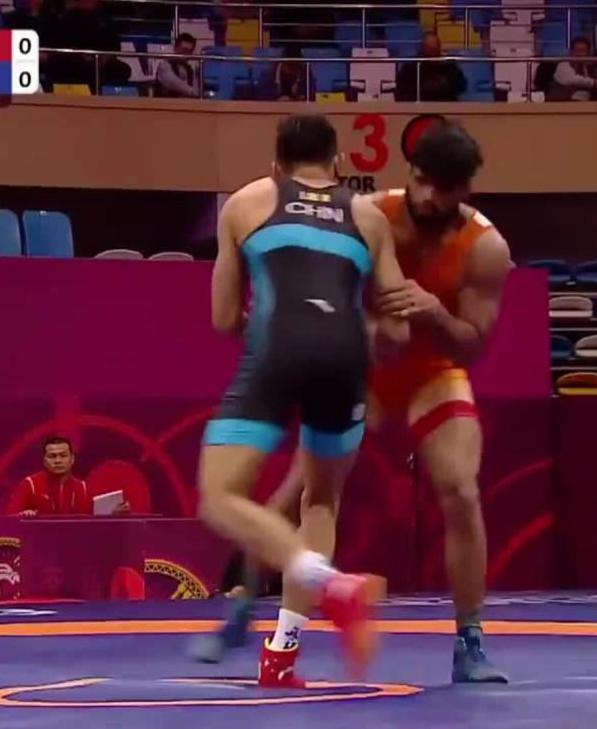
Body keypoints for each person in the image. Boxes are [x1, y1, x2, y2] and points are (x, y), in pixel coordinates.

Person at [196, 120, 513, 687]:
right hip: (360, 365)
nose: (428, 197)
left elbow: (473, 344)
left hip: (430, 373)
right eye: (422, 181)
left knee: (461, 490)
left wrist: (434, 313)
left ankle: (470, 638)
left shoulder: (484, 247)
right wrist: (357, 328)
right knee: (295, 495)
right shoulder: (370, 211)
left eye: (443, 189)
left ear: (466, 190)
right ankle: (246, 608)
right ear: (409, 172)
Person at [196, 113, 410, 678]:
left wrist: (275, 339)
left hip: (280, 346)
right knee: (320, 502)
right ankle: (281, 653)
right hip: (346, 358)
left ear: (277, 166)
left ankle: (332, 585)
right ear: (337, 164)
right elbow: (397, 330)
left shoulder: (247, 202)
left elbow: (223, 318)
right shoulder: (368, 215)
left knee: (220, 494)